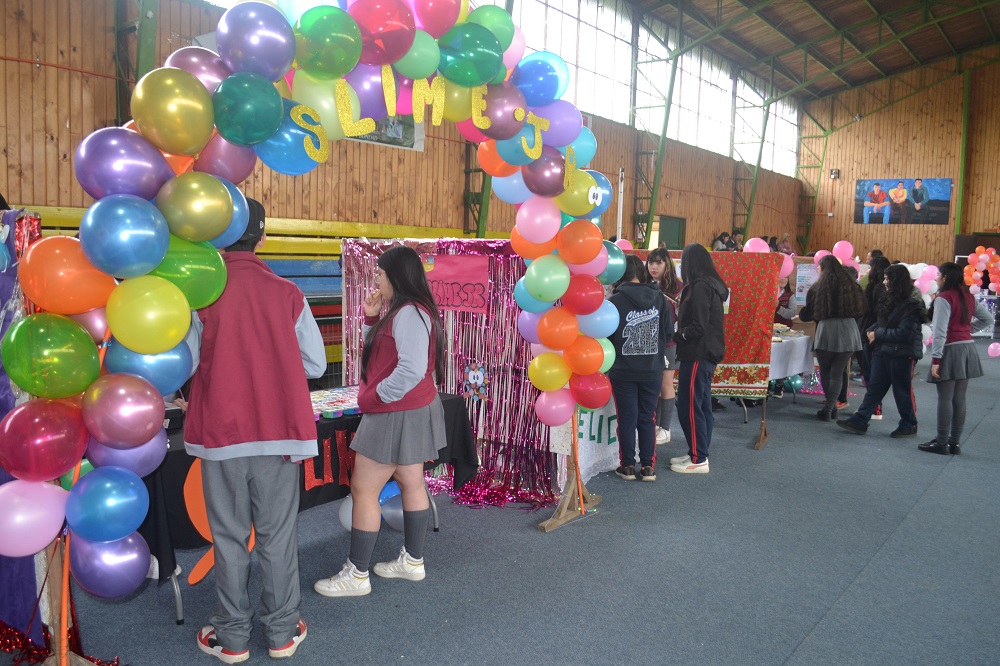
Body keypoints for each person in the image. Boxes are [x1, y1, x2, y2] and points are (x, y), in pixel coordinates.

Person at [184, 199, 326, 663]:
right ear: (262, 237)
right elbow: (316, 364)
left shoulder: (200, 295)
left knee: (227, 537)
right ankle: (282, 633)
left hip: (220, 436)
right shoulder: (288, 294)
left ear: (220, 235)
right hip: (279, 434)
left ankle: (233, 639)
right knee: (277, 536)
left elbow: (184, 363)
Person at [314, 246, 446, 596]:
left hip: (394, 413)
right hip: (406, 410)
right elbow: (382, 357)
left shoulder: (409, 313)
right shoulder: (405, 312)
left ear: (396, 277)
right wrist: (371, 319)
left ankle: (357, 574)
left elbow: (411, 370)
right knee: (411, 481)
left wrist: (374, 397)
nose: (376, 279)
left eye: (380, 274)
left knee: (364, 489)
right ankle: (412, 561)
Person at [837, 264, 926, 437]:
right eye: (885, 278)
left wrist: (876, 334)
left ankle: (909, 424)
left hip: (902, 354)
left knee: (902, 391)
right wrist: (871, 330)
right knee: (875, 388)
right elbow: (882, 322)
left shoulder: (913, 305)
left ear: (897, 281)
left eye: (888, 279)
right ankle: (861, 419)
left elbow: (904, 333)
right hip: (883, 351)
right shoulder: (889, 299)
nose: (884, 282)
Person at [917, 263, 992, 455]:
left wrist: (936, 360)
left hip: (950, 350)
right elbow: (987, 319)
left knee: (945, 398)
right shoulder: (968, 296)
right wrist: (966, 331)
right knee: (959, 399)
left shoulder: (944, 298)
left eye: (939, 275)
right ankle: (954, 443)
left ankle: (941, 442)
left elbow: (940, 331)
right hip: (967, 348)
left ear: (945, 277)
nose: (936, 278)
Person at [607, 255, 669, 481]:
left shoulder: (615, 302)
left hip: (623, 370)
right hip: (652, 368)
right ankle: (648, 468)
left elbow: (607, 336)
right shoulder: (660, 299)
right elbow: (668, 333)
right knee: (647, 417)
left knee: (627, 418)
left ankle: (628, 466)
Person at [670, 244, 728, 474]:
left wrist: (678, 334)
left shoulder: (701, 286)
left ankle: (699, 457)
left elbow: (699, 325)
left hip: (697, 352)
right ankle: (698, 451)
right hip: (702, 353)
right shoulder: (709, 285)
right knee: (701, 404)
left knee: (690, 405)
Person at [797, 255, 866, 421]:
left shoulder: (817, 288)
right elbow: (861, 309)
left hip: (827, 330)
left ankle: (829, 408)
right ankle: (831, 408)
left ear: (823, 268)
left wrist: (800, 314)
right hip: (849, 330)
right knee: (838, 372)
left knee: (826, 372)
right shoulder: (851, 286)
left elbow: (809, 313)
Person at [646, 248, 682, 444]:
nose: (653, 266)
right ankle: (655, 426)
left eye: (658, 262)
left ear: (667, 264)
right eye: (651, 262)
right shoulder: (646, 284)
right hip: (649, 343)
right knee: (654, 384)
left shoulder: (678, 287)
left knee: (665, 384)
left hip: (669, 343)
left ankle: (666, 428)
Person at [858, 256, 891, 420]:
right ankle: (873, 407)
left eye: (870, 267)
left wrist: (871, 331)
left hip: (871, 333)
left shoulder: (877, 289)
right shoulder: (876, 288)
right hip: (870, 331)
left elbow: (878, 314)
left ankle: (875, 408)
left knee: (871, 374)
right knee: (870, 373)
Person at [770, 276, 795, 398]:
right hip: (767, 331)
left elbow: (791, 313)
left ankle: (779, 386)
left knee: (781, 358)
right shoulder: (767, 291)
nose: (783, 280)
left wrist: (778, 308)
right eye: (780, 277)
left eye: (786, 278)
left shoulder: (790, 296)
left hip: (784, 332)